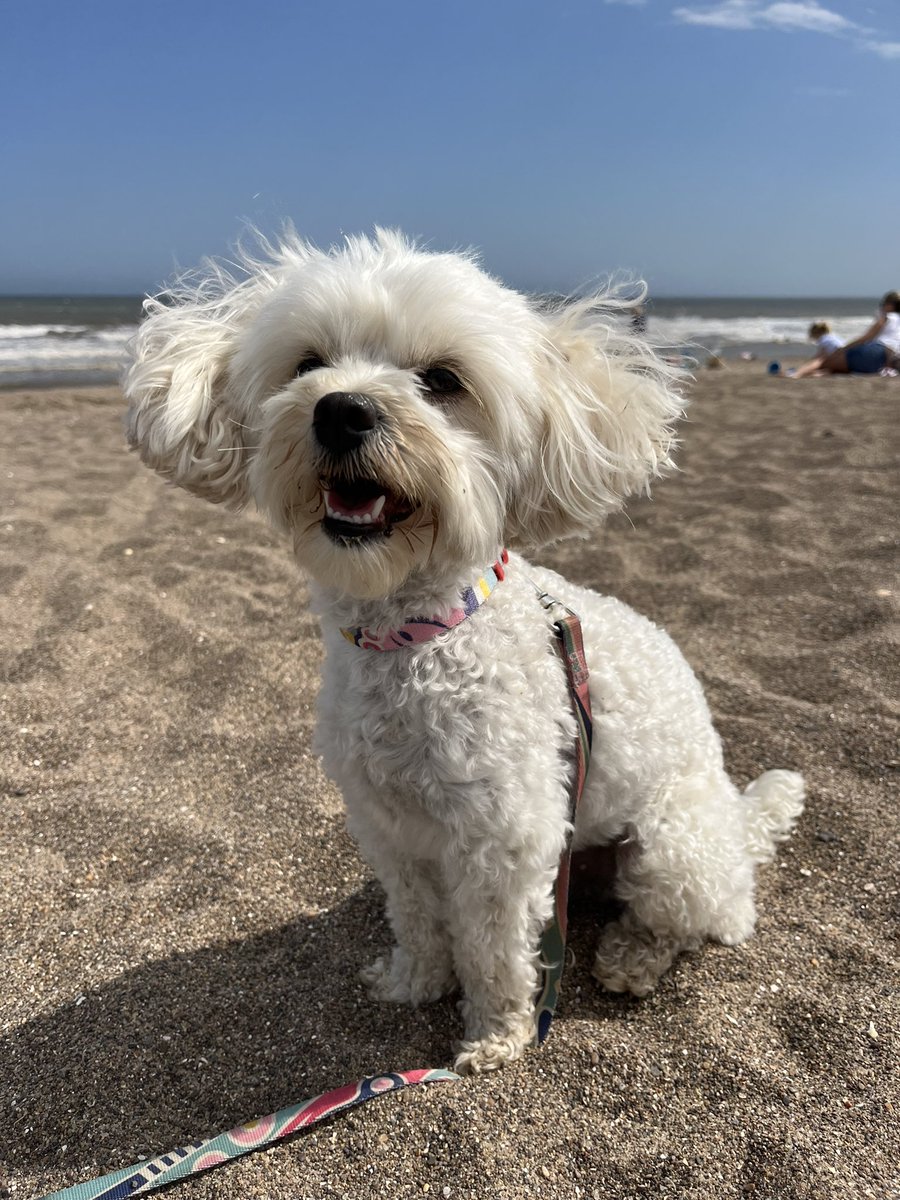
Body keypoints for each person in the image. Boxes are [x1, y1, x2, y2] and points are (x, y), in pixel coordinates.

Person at [810, 292, 900, 376]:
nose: (881, 307)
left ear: (890, 305)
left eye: (883, 304)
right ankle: (820, 373)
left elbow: (866, 338)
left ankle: (800, 373)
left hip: (875, 353)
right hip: (888, 362)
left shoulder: (887, 317)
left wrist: (843, 349)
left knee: (824, 363)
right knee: (838, 368)